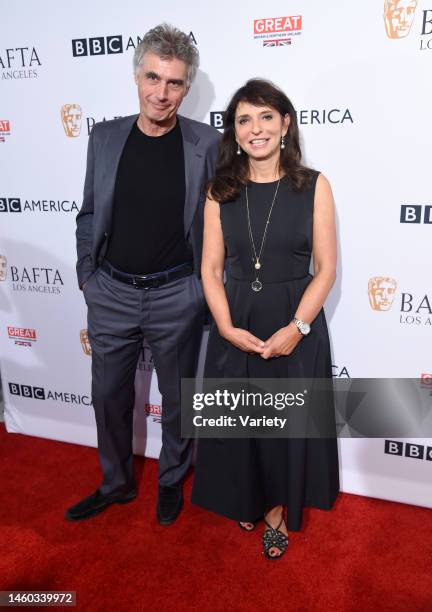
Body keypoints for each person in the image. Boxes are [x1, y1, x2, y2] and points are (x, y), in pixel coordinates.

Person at [67, 24, 220, 524]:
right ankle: (115, 483)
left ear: (187, 87)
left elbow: (223, 224)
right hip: (110, 291)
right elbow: (89, 212)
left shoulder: (207, 143)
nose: (161, 93)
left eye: (174, 83)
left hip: (178, 293)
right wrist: (88, 276)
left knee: (178, 401)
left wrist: (201, 288)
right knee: (107, 397)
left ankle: (172, 481)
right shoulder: (105, 136)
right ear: (136, 76)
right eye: (153, 77)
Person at [191, 79, 339, 559]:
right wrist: (226, 327)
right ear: (233, 132)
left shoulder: (313, 186)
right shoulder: (219, 191)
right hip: (235, 322)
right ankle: (246, 497)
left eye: (265, 117)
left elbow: (327, 269)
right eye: (243, 120)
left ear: (285, 124)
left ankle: (277, 512)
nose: (255, 129)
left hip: (294, 321)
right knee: (241, 423)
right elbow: (210, 269)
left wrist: (297, 329)